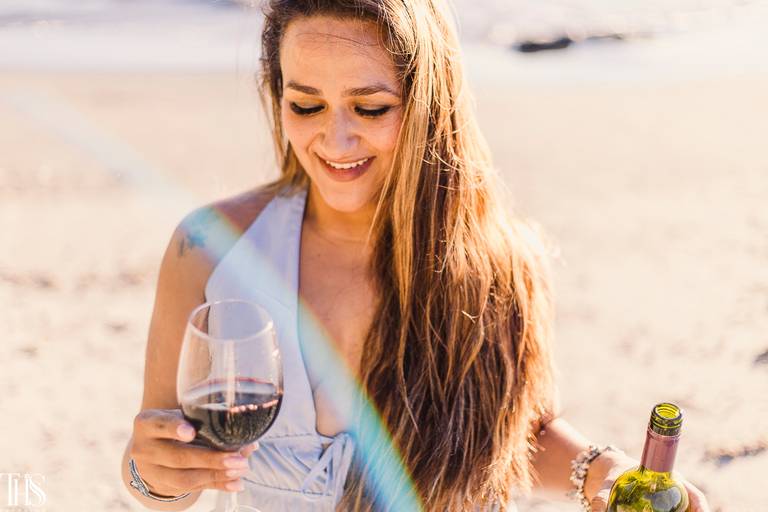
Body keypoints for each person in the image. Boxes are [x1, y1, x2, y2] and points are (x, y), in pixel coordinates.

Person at [120, 0, 711, 510]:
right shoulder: (207, 248)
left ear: (427, 102)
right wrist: (154, 475)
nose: (336, 139)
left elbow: (520, 434)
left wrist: (604, 473)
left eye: (370, 108)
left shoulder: (500, 262)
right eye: (306, 105)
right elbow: (157, 461)